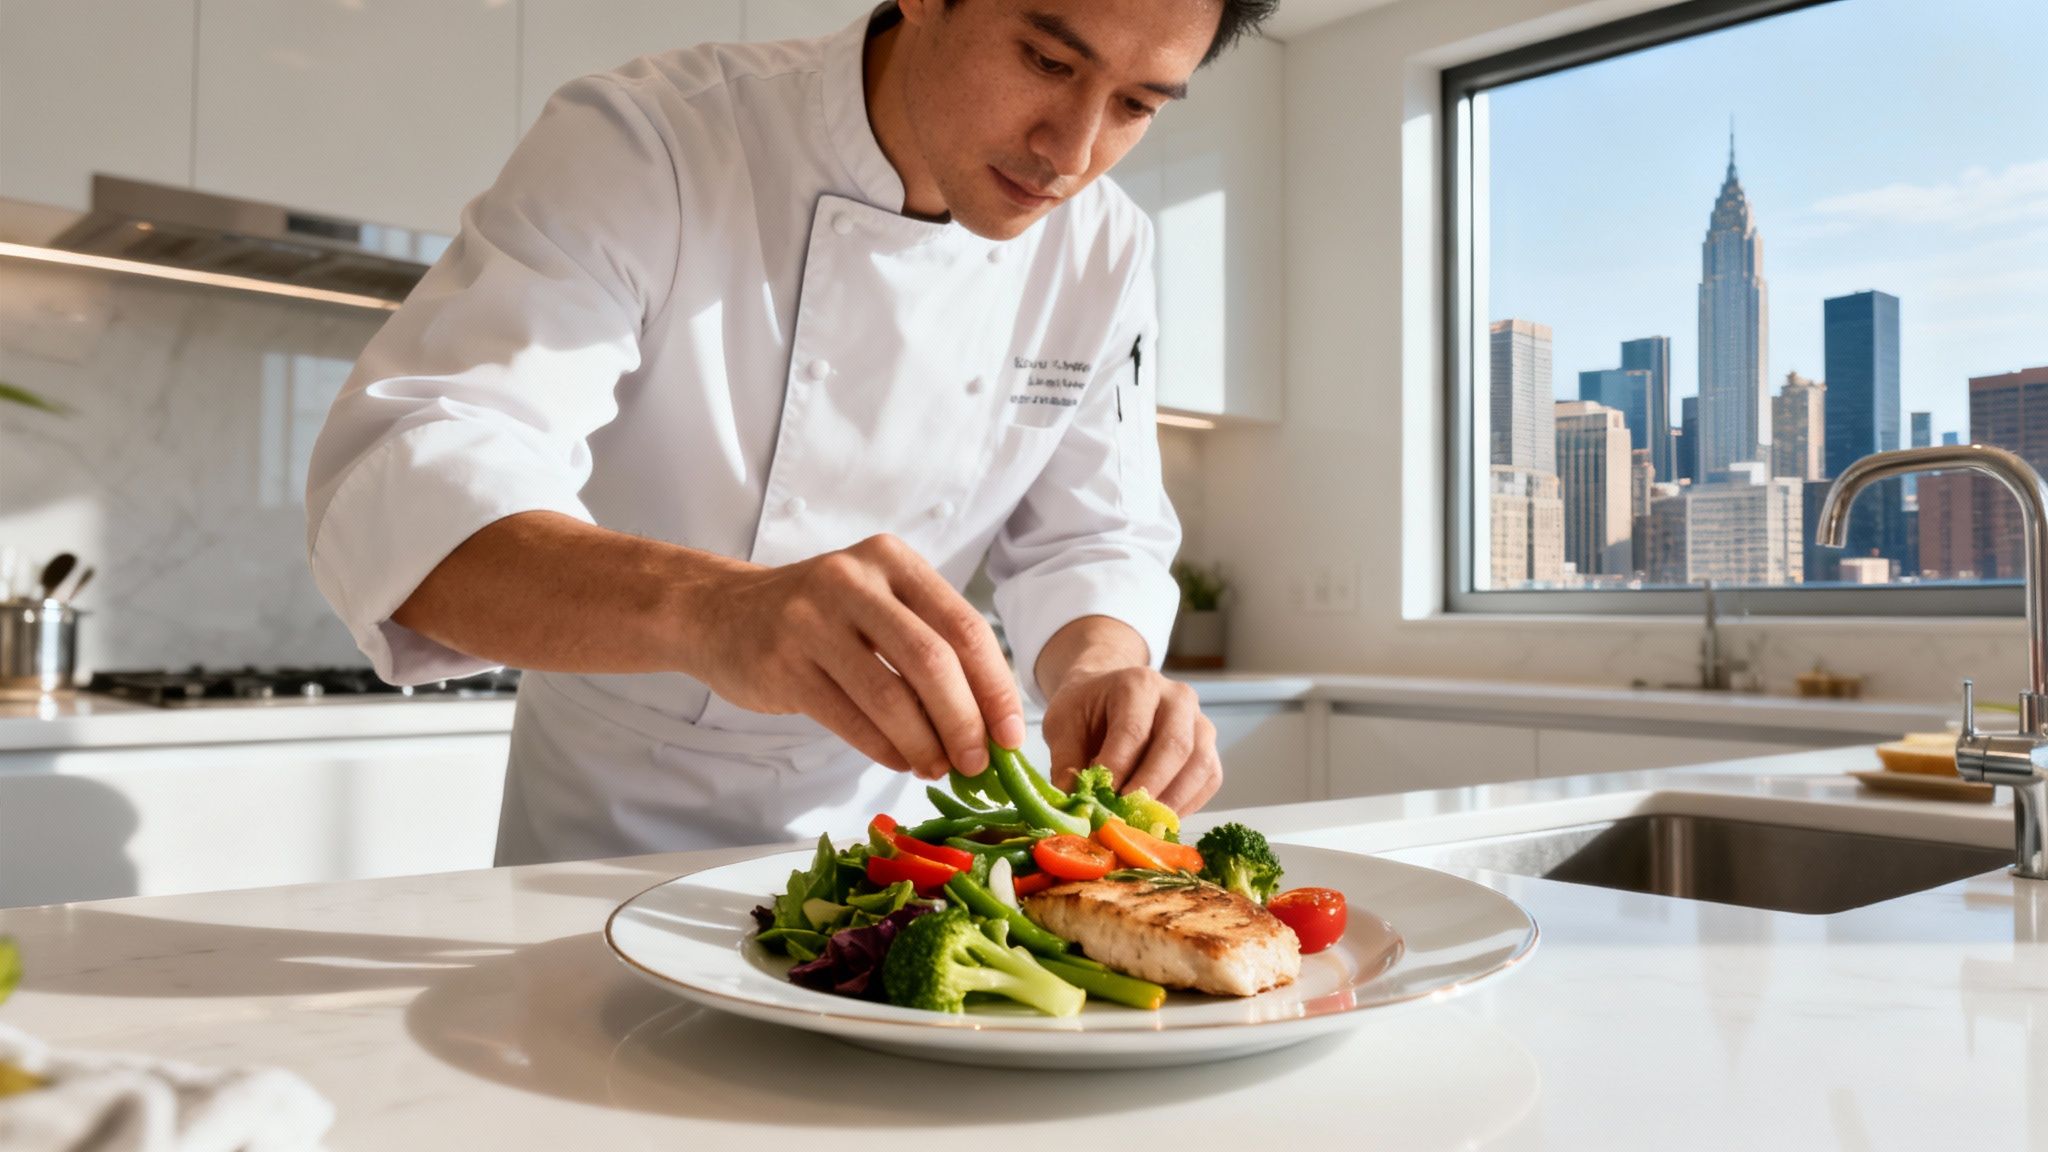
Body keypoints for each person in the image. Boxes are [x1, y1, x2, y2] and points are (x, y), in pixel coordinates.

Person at [304, 0, 1275, 864]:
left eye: (1137, 104)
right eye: (1048, 62)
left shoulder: (1104, 246)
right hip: (603, 831)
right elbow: (416, 478)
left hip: (897, 838)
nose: (1070, 151)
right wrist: (712, 610)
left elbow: (1090, 538)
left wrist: (1104, 670)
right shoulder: (654, 140)